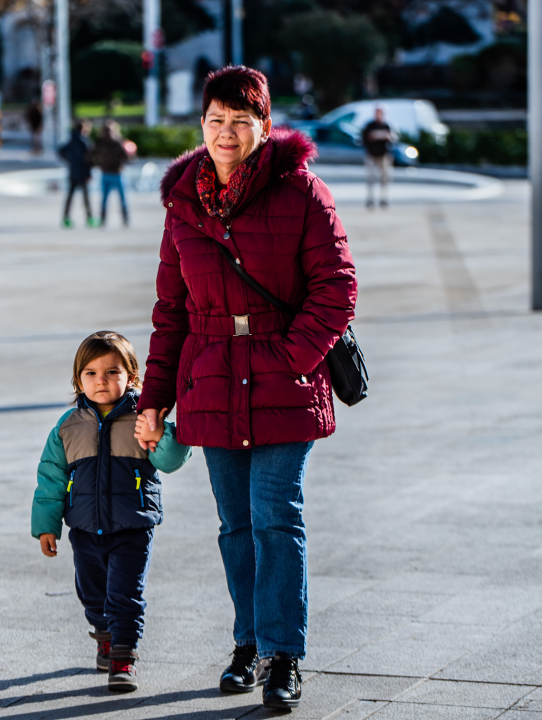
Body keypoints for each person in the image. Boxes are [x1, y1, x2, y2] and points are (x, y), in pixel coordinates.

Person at [135, 66, 356, 710]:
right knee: (236, 524)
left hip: (285, 378)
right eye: (215, 120)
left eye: (240, 121)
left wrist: (293, 356)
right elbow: (169, 311)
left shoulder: (303, 193)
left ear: (264, 125)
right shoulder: (183, 204)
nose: (226, 133)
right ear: (201, 125)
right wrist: (154, 400)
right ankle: (246, 644)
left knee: (274, 516)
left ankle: (283, 653)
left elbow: (336, 288)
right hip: (211, 380)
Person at [32, 331, 192, 693]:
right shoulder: (68, 427)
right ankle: (104, 634)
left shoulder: (141, 418)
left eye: (112, 372)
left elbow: (171, 461)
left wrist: (162, 432)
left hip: (132, 527)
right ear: (78, 380)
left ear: (131, 378)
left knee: (125, 593)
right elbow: (51, 479)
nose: (100, 380)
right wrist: (47, 526)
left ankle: (124, 655)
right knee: (92, 592)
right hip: (85, 528)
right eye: (90, 373)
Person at [92, 121, 130, 227]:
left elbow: (126, 158)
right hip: (109, 174)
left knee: (119, 198)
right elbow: (92, 155)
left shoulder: (116, 142)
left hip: (114, 174)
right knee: (107, 199)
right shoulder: (104, 143)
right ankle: (105, 219)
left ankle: (124, 219)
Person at [59, 120, 95, 228]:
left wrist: (69, 160)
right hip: (83, 174)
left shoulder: (72, 140)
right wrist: (89, 174)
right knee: (86, 198)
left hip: (73, 172)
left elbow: (61, 151)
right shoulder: (85, 142)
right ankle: (89, 218)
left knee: (70, 197)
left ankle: (66, 218)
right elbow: (89, 161)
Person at [361, 105, 396, 208]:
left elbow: (392, 139)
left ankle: (383, 199)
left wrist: (386, 137)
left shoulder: (386, 126)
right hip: (371, 155)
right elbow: (364, 140)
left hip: (384, 155)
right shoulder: (370, 126)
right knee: (370, 178)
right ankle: (370, 199)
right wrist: (372, 137)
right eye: (377, 112)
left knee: (385, 178)